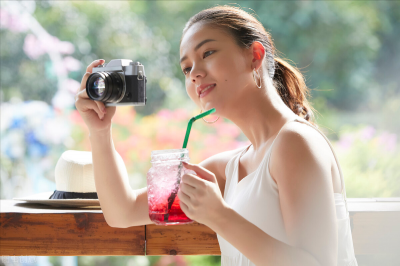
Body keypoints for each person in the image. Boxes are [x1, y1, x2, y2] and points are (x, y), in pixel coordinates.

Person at [75, 5, 357, 266]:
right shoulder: (229, 168)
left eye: (207, 53)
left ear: (254, 56)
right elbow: (122, 212)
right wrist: (99, 131)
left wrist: (219, 215)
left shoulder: (295, 142)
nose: (194, 74)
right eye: (186, 68)